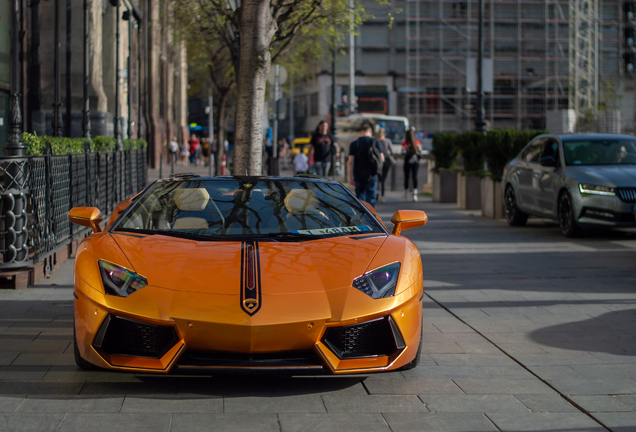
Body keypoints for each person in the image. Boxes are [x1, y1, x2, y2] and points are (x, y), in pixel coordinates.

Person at [348, 123, 384, 207]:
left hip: (359, 176)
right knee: (371, 200)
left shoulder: (354, 144)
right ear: (370, 131)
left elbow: (350, 161)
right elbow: (382, 158)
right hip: (372, 175)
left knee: (360, 201)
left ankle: (363, 219)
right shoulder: (375, 142)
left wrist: (349, 177)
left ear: (360, 132)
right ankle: (371, 218)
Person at [402, 128, 422, 202]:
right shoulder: (417, 142)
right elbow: (420, 152)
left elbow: (403, 153)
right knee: (414, 177)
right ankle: (414, 193)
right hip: (415, 162)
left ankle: (406, 192)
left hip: (407, 162)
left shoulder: (405, 143)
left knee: (407, 177)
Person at [376, 128, 395, 203]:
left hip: (377, 161)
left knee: (378, 178)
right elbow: (392, 151)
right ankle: (382, 195)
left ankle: (377, 192)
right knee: (383, 178)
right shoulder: (387, 141)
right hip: (386, 160)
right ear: (384, 134)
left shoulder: (376, 141)